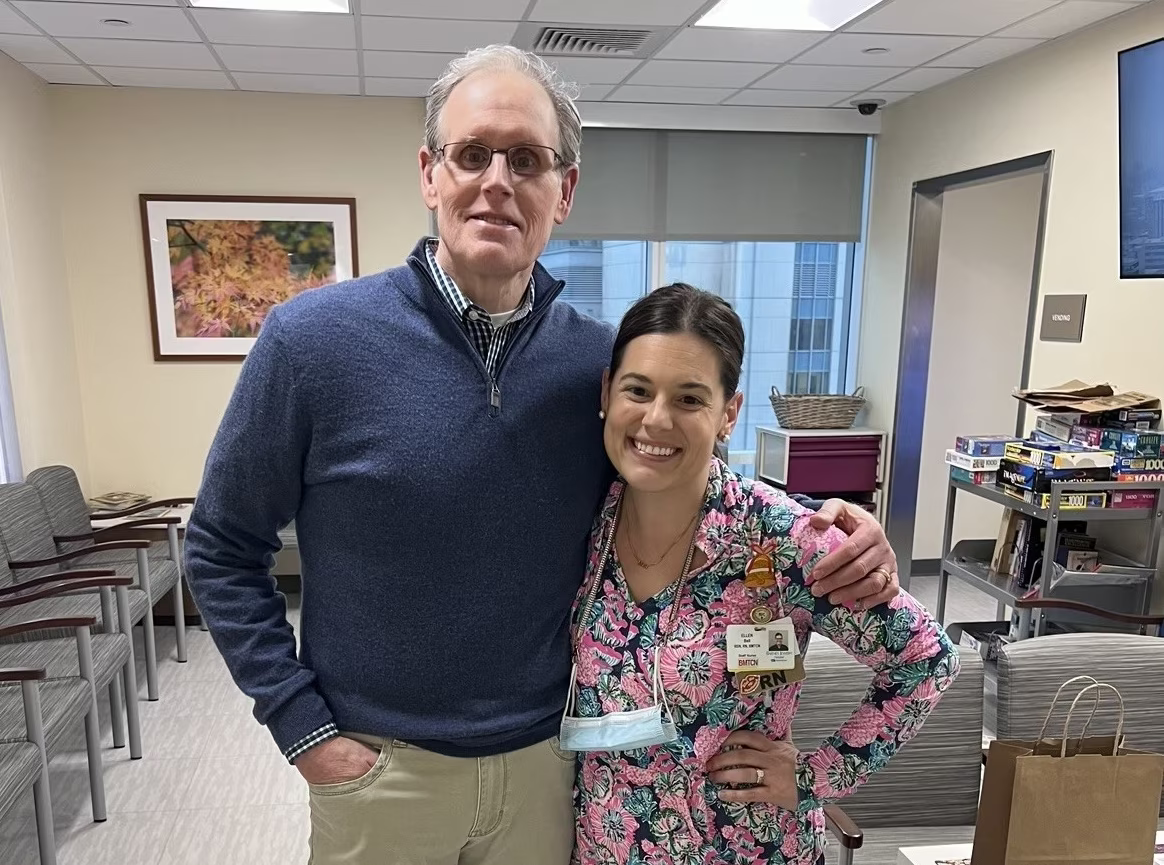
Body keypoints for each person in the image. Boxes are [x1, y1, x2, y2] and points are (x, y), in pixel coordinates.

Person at [183, 45, 902, 865]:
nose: (498, 180)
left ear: (564, 190)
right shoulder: (312, 344)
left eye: (527, 158)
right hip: (381, 770)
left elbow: (679, 476)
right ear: (429, 174)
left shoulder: (595, 366)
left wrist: (832, 528)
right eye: (472, 153)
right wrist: (301, 725)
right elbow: (220, 544)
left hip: (547, 770)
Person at [566, 284, 958, 865]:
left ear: (729, 413)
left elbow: (926, 658)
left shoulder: (781, 540)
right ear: (607, 392)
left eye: (690, 399)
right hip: (605, 846)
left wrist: (818, 774)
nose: (656, 419)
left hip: (746, 849)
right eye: (638, 390)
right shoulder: (582, 516)